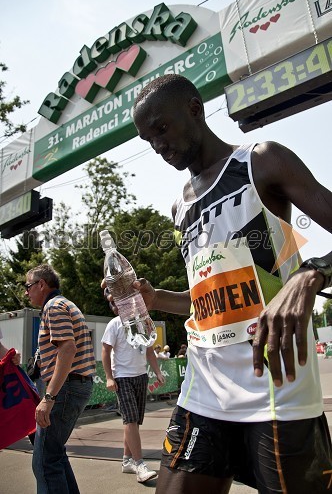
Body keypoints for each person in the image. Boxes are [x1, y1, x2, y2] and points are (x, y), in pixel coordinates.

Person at [129, 74, 332, 493]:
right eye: (149, 140)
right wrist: (154, 298)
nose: (159, 146)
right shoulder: (179, 205)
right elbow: (202, 302)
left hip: (275, 383)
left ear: (194, 108)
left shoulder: (261, 161)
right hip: (205, 386)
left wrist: (311, 273)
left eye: (162, 129)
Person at [25, 264, 96, 494]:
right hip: (75, 385)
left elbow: (67, 349)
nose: (27, 292)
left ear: (41, 284)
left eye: (28, 286)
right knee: (54, 455)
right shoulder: (65, 304)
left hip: (66, 388)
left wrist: (48, 397)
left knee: (44, 462)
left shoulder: (53, 307)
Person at [101, 315, 165, 483]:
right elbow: (105, 351)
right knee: (130, 420)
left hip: (141, 376)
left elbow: (150, 350)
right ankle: (140, 464)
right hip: (122, 377)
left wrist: (157, 372)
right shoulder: (114, 324)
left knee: (133, 422)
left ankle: (127, 460)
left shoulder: (143, 322)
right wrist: (109, 377)